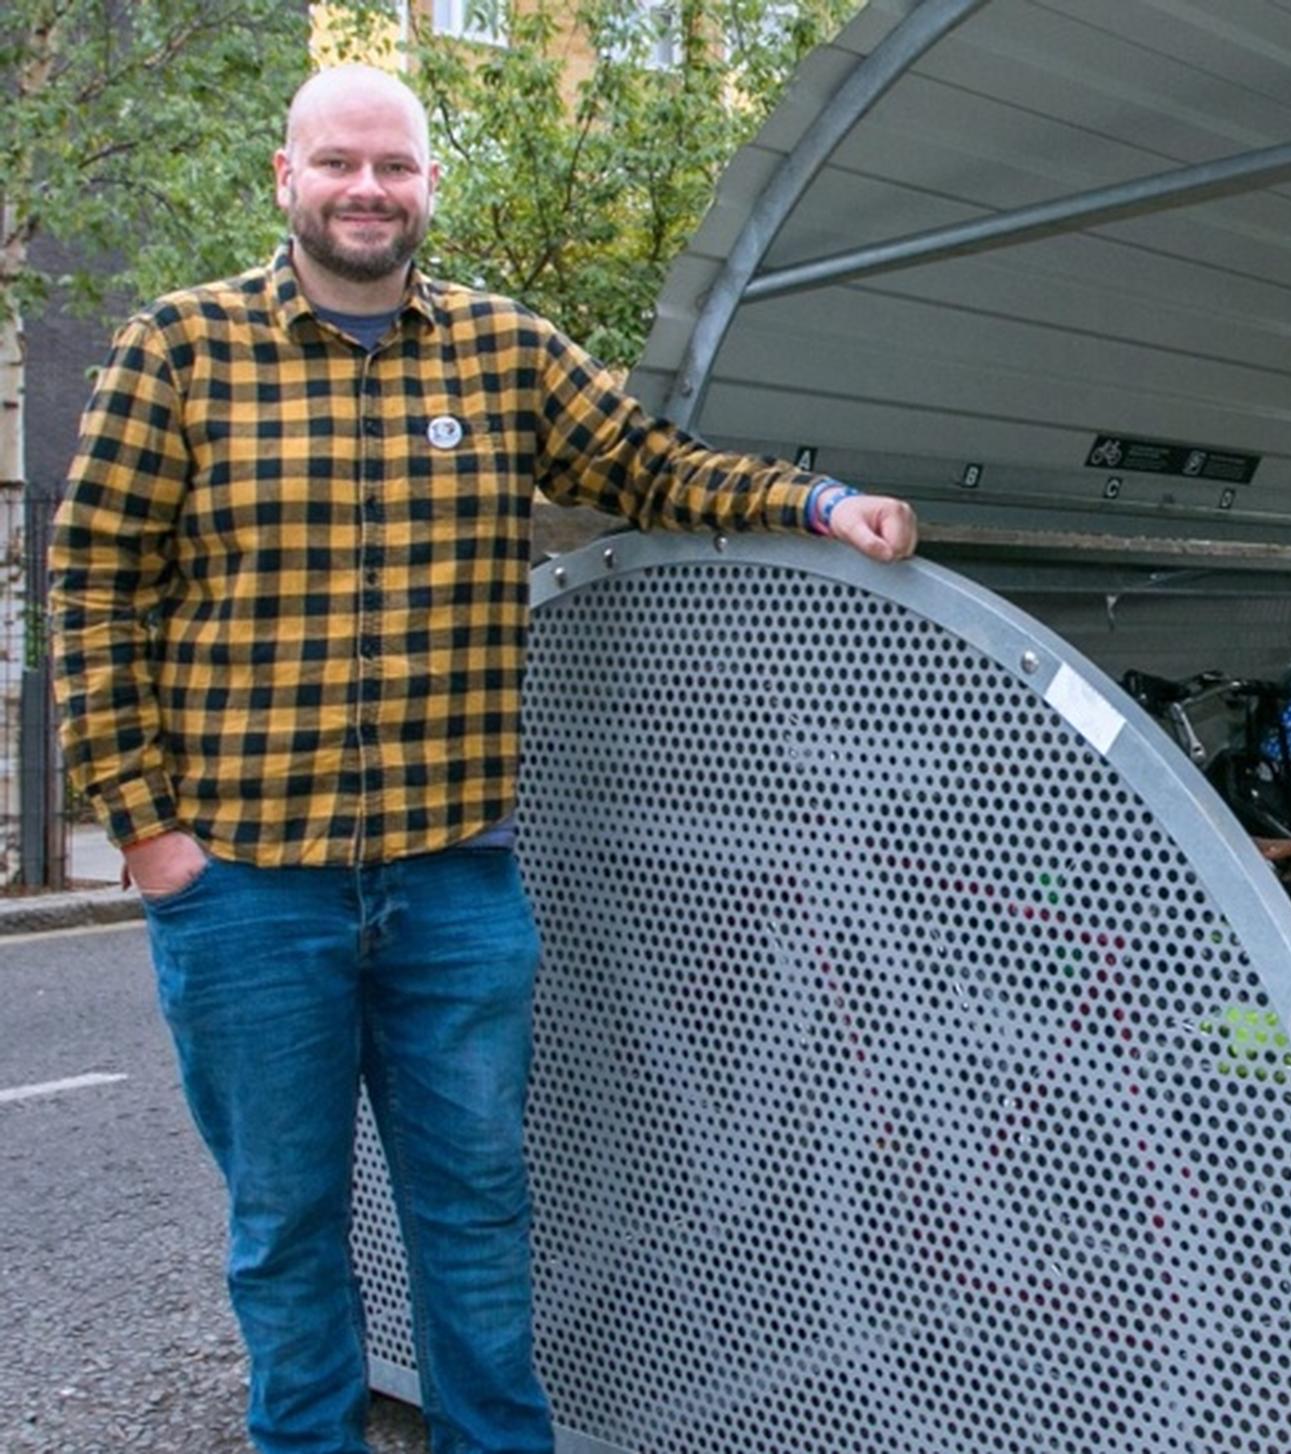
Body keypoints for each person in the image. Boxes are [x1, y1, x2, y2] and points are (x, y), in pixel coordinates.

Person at [50, 64, 917, 1454]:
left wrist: (815, 500)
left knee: (476, 1213)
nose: (367, 191)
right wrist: (148, 832)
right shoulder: (180, 349)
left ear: (427, 187)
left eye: (393, 167)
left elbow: (645, 465)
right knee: (288, 1228)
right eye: (339, 165)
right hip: (248, 890)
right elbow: (91, 587)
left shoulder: (504, 352)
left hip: (452, 881)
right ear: (286, 179)